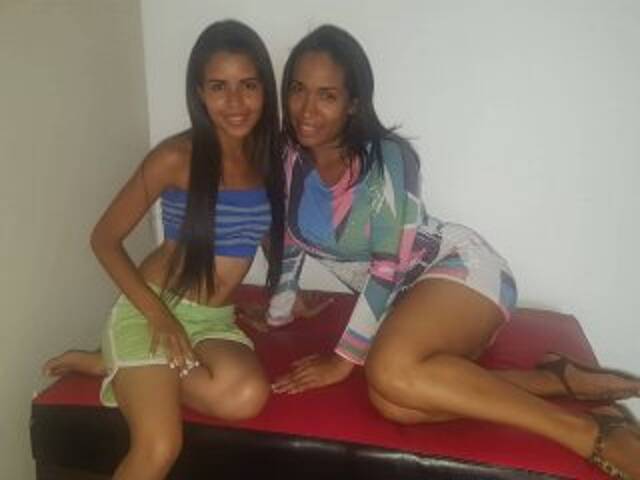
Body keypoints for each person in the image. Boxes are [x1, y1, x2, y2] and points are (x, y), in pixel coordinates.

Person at [251, 25, 640, 479]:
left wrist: (341, 362)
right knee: (395, 402)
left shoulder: (387, 157)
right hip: (405, 304)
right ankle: (554, 380)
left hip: (460, 271)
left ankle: (590, 433)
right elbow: (289, 242)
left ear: (353, 103)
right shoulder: (286, 160)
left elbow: (387, 267)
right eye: (298, 89)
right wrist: (278, 314)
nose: (306, 108)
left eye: (327, 95)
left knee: (388, 370)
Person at [42, 20, 283, 480]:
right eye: (219, 87)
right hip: (152, 310)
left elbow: (263, 229)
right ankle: (128, 355)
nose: (235, 102)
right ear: (199, 92)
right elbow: (103, 240)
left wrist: (285, 291)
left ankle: (116, 364)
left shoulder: (265, 156)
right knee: (159, 446)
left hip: (213, 321)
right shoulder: (176, 158)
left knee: (246, 396)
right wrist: (160, 318)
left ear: (264, 90)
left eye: (248, 85)